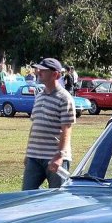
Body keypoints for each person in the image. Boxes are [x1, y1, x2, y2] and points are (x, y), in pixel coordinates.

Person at [22, 57, 76, 191]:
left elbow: (66, 129)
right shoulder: (39, 96)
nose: (38, 72)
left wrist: (60, 155)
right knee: (26, 196)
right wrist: (28, 153)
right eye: (38, 70)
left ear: (55, 74)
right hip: (34, 156)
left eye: (43, 71)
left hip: (54, 157)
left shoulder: (65, 98)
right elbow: (34, 125)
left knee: (57, 198)